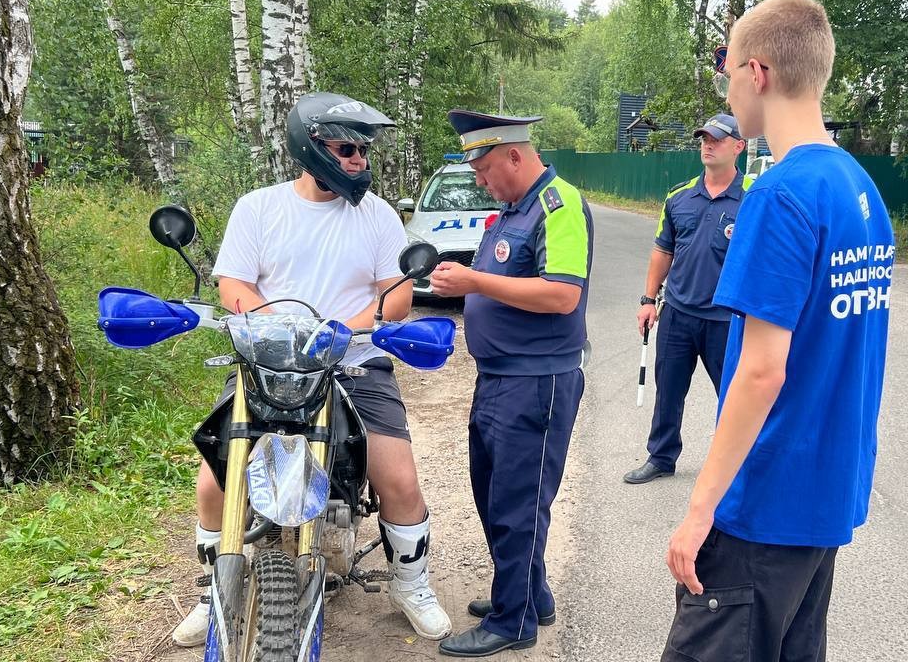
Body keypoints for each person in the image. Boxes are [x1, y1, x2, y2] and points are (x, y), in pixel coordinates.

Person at [172, 92, 452, 646]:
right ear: (312, 147)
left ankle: (410, 583)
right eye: (347, 149)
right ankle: (214, 590)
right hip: (267, 362)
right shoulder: (259, 207)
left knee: (395, 474)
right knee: (213, 478)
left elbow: (394, 299)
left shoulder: (377, 216)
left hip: (352, 362)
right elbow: (233, 285)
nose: (359, 161)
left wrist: (341, 328)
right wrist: (277, 325)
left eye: (363, 151)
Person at [662, 0, 894, 661]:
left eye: (727, 70)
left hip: (764, 504)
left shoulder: (779, 193)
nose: (728, 87)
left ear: (757, 72)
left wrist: (701, 508)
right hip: (825, 499)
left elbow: (763, 370)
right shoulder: (859, 188)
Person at [431, 110, 593, 658]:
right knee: (497, 493)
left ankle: (513, 619)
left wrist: (473, 281)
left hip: (536, 381)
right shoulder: (511, 212)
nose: (479, 179)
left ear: (515, 156)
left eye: (483, 167)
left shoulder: (558, 204)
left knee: (518, 503)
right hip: (500, 377)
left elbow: (563, 294)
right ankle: (531, 592)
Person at [624, 114, 749, 484]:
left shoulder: (754, 198)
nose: (707, 145)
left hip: (727, 319)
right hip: (678, 313)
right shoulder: (679, 197)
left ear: (738, 147)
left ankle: (737, 466)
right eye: (703, 139)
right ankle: (661, 456)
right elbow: (663, 250)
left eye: (717, 139)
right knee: (669, 391)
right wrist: (649, 299)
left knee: (734, 397)